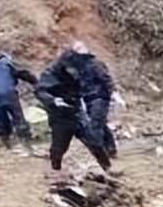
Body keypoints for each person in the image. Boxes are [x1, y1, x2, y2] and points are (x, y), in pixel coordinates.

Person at [35, 41, 114, 173]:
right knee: (59, 148)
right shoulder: (51, 73)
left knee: (93, 140)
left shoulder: (81, 66)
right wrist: (53, 100)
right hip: (60, 116)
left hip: (77, 111)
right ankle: (56, 171)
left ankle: (108, 168)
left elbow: (94, 82)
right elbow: (40, 91)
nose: (74, 72)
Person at [0, 51, 36, 152]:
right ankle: (27, 146)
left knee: (2, 117)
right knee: (18, 117)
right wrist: (35, 82)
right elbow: (23, 73)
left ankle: (7, 145)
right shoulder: (7, 63)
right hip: (8, 92)